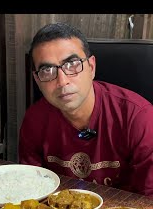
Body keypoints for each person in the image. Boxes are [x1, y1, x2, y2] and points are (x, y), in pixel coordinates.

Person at [19, 22, 153, 197]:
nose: (62, 81)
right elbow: (31, 190)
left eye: (72, 64)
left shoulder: (139, 118)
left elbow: (148, 202)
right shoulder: (34, 120)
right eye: (47, 70)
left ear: (91, 67)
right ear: (37, 79)